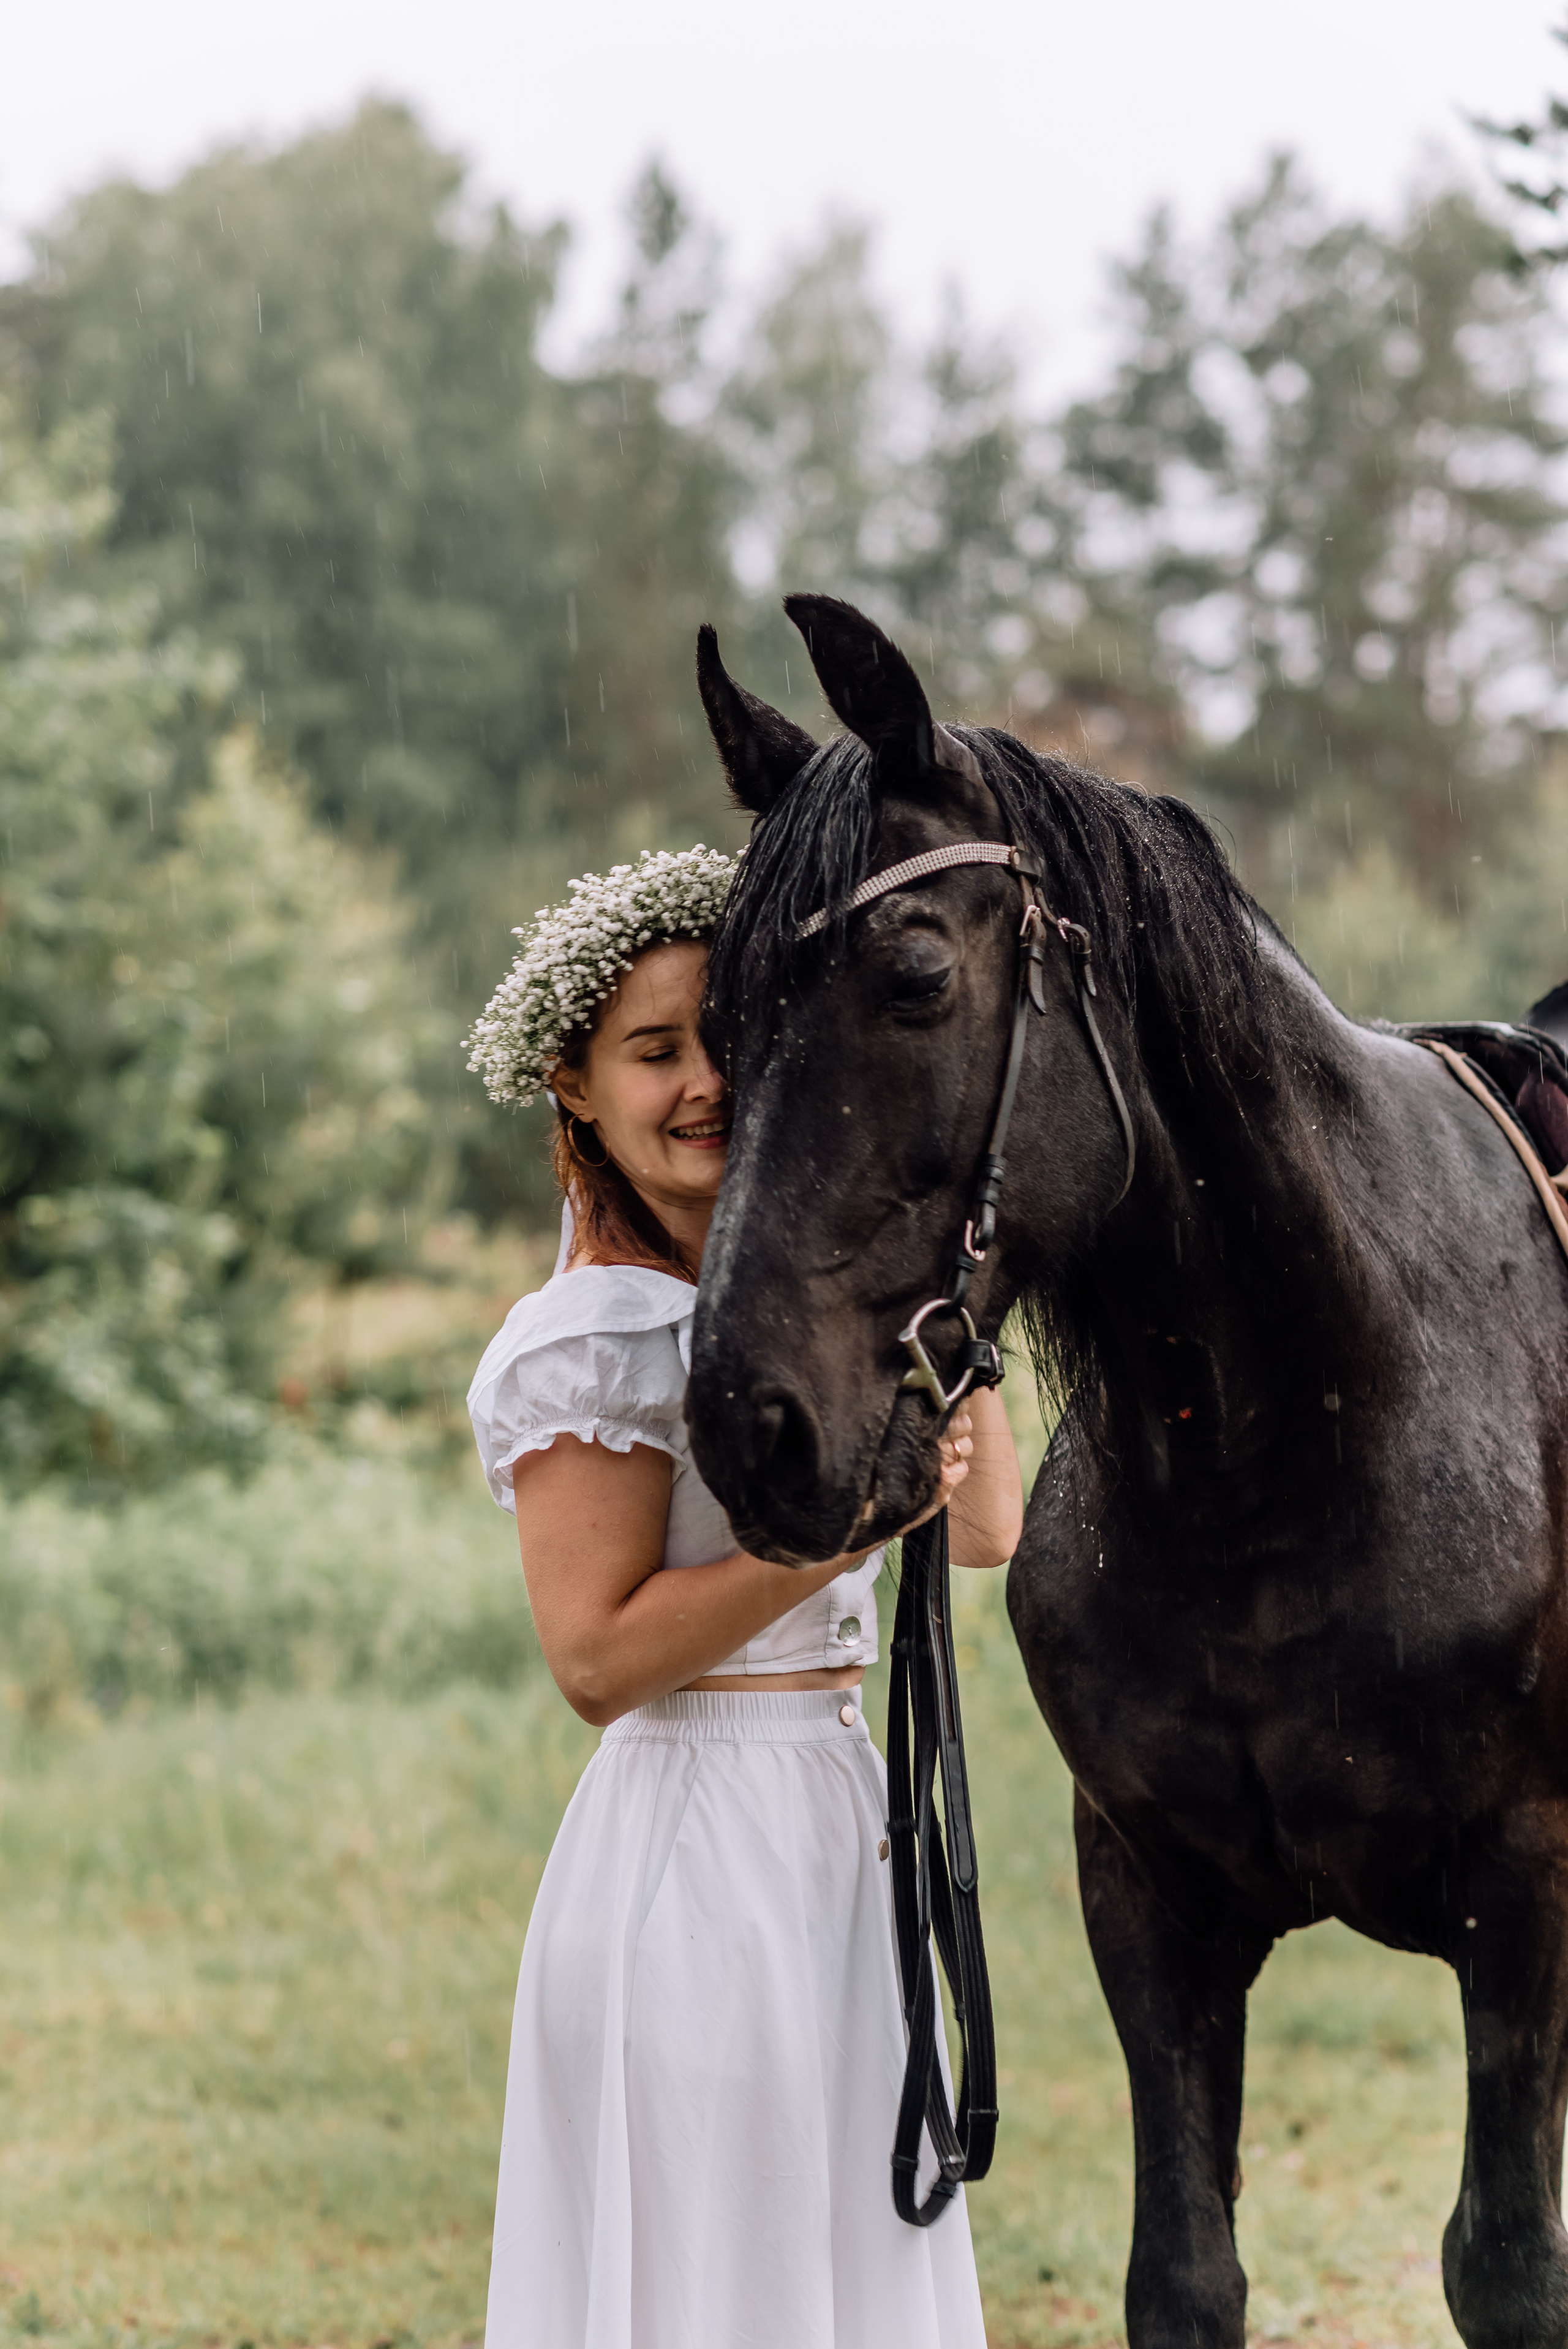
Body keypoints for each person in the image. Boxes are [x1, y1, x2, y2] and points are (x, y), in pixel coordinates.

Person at [466, 846, 1025, 2349]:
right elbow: (593, 1659)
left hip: (840, 1825)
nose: (704, 1083)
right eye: (653, 1052)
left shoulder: (809, 1306)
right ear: (572, 1085)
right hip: (692, 1844)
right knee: (721, 2273)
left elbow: (985, 1529)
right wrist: (835, 1536)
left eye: (727, 1039)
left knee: (836, 2257)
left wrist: (938, 1289)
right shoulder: (593, 1334)